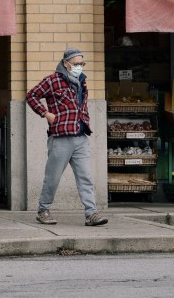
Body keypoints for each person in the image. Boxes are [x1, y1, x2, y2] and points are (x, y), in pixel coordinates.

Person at [26, 47, 107, 227]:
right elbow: (31, 95)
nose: (80, 67)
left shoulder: (82, 81)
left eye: (82, 64)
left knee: (86, 177)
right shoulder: (53, 80)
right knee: (52, 177)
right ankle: (43, 210)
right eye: (76, 63)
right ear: (65, 63)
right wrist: (45, 113)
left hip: (80, 136)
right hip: (60, 136)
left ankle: (91, 213)